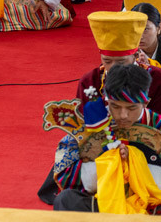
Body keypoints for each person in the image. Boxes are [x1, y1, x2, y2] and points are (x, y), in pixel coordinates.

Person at [53, 62, 161, 211]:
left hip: (150, 203)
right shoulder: (91, 125)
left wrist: (134, 165)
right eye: (115, 106)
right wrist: (109, 165)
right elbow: (64, 175)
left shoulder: (157, 124)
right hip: (101, 201)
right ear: (106, 100)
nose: (123, 115)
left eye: (131, 108)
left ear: (145, 103)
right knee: (66, 199)